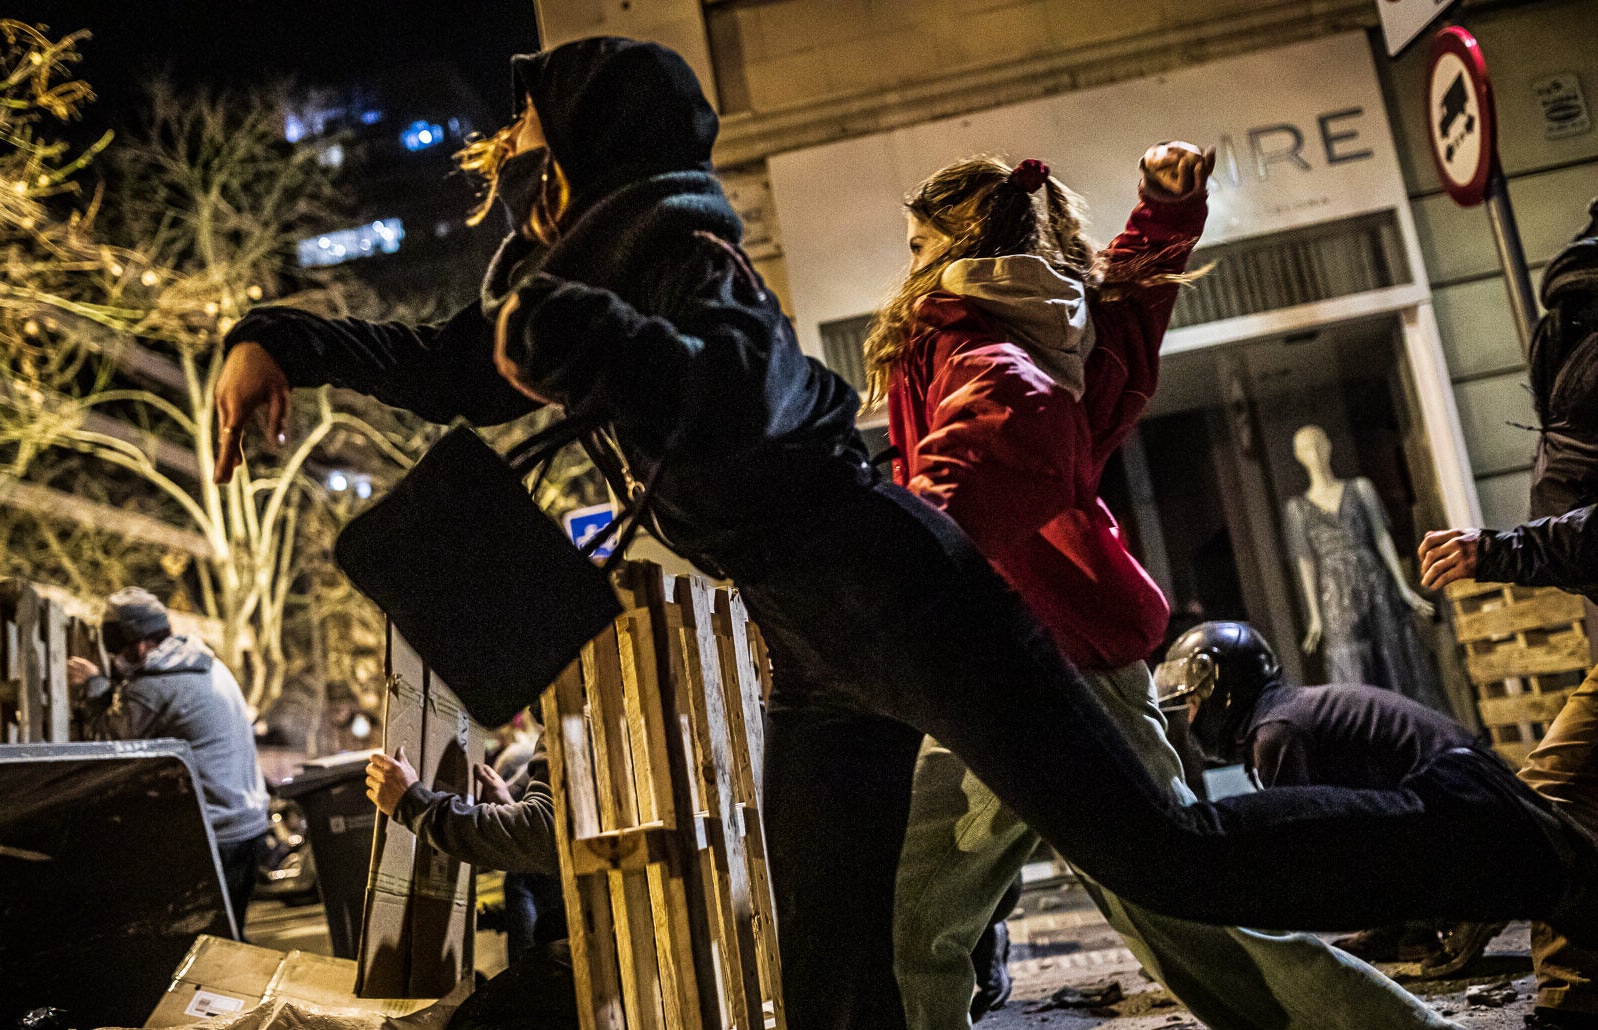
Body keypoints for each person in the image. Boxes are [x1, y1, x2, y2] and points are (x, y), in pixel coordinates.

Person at [213, 37, 1598, 1028]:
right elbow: (445, 361)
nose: (523, 187)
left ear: (589, 156)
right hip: (817, 644)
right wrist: (277, 340)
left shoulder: (685, 258)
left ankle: (1493, 836)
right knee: (833, 958)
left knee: (1166, 855)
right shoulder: (581, 277)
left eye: (535, 159)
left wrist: (595, 344)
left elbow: (739, 388)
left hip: (907, 598)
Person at [880, 151, 1457, 1029]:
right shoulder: (1056, 319)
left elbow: (975, 461)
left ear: (957, 242)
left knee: (922, 920)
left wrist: (884, 568)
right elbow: (1139, 304)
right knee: (1163, 901)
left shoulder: (979, 340)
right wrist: (1165, 208)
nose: (909, 259)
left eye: (919, 241)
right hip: (1036, 655)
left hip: (1020, 659)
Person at [1420, 198, 1598, 1030]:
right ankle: (1570, 1001)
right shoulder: (1572, 320)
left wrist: (1500, 552)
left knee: (1548, 810)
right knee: (1554, 814)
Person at [1157, 620, 1507, 976]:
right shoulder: (1282, 716)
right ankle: (1403, 922)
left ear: (1223, 688)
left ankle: (1474, 905)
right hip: (1468, 792)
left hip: (1470, 805)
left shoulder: (1278, 732)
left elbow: (1298, 845)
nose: (1190, 716)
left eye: (1192, 702)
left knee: (1317, 841)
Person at [68, 587, 270, 938]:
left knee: (207, 946)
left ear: (138, 643)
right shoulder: (204, 664)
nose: (115, 658)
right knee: (231, 937)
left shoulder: (154, 686)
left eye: (116, 649)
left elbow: (108, 742)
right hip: (248, 825)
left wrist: (94, 687)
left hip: (217, 834)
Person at [367, 734, 576, 1030]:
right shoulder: (580, 709)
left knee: (474, 1021)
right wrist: (509, 807)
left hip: (608, 942)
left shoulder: (573, 707)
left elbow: (543, 837)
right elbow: (564, 834)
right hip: (598, 928)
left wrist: (414, 804)